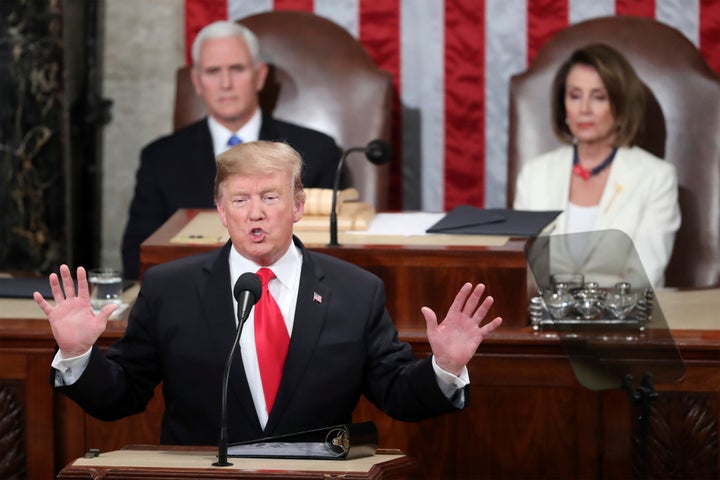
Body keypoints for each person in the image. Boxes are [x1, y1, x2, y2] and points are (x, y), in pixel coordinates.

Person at [35, 140, 503, 446]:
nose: (255, 214)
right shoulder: (169, 288)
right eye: (240, 200)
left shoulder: (355, 291)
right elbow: (124, 395)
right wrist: (78, 355)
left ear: (298, 205)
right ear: (221, 209)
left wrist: (445, 367)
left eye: (270, 197)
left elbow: (397, 393)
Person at [120, 21, 342, 280]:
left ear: (259, 76)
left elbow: (330, 255)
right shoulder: (160, 159)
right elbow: (137, 257)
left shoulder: (315, 151)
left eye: (236, 69)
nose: (225, 83)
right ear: (197, 81)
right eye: (213, 71)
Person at [513, 43, 680, 288]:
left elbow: (645, 276)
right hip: (544, 319)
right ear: (564, 107)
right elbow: (523, 269)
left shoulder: (656, 177)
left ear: (621, 105)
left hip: (622, 321)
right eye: (575, 96)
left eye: (599, 97)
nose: (584, 110)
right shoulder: (535, 174)